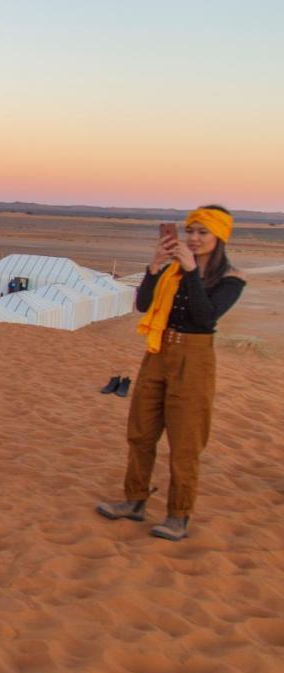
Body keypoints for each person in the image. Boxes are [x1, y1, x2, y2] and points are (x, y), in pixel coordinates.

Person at [96, 205, 246, 541]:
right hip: (158, 352)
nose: (193, 238)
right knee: (141, 433)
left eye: (202, 232)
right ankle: (134, 500)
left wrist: (191, 271)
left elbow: (204, 316)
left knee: (185, 441)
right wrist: (154, 266)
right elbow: (145, 305)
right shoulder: (171, 272)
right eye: (190, 231)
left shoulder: (231, 279)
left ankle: (178, 515)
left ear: (219, 236)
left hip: (194, 359)